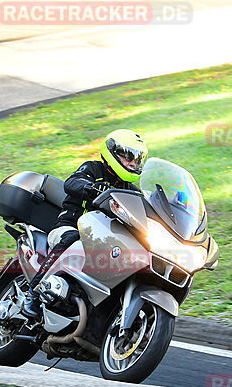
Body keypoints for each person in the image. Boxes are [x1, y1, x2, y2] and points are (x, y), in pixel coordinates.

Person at [22, 129, 148, 319]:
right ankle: (33, 293)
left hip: (100, 241)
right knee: (73, 239)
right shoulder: (93, 169)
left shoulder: (131, 191)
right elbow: (71, 183)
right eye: (128, 157)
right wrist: (91, 187)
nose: (133, 163)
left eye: (137, 159)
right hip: (69, 227)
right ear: (112, 153)